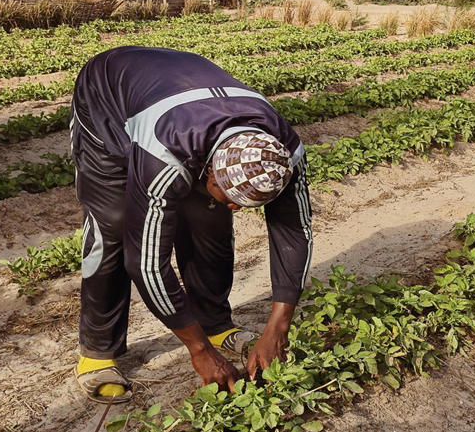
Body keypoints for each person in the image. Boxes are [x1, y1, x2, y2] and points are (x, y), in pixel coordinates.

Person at [69, 46, 313, 403]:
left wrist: (277, 329)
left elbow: (296, 232)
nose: (236, 207)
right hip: (107, 103)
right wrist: (199, 352)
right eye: (231, 195)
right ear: (210, 169)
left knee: (210, 216)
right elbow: (147, 263)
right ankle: (98, 350)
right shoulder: (166, 152)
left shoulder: (285, 155)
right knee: (115, 227)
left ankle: (215, 324)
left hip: (182, 94)